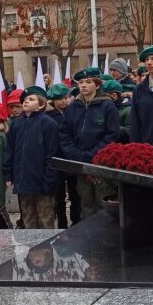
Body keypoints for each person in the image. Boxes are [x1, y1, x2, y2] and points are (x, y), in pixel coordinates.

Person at [59, 68, 120, 217]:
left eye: (88, 82)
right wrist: (75, 154)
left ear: (97, 85)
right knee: (85, 200)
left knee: (102, 200)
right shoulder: (73, 106)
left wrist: (93, 154)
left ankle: (105, 235)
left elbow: (112, 135)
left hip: (101, 163)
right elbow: (64, 134)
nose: (83, 85)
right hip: (81, 163)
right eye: (80, 82)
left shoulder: (107, 106)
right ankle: (88, 234)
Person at [3, 85, 60, 229]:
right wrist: (8, 173)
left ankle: (46, 250)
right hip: (23, 181)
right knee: (28, 218)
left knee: (45, 218)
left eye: (31, 99)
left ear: (41, 105)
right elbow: (10, 150)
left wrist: (49, 180)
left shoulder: (48, 124)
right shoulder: (16, 124)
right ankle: (32, 250)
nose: (26, 101)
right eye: (25, 99)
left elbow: (52, 155)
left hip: (41, 182)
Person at [46, 83, 79, 228]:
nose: (63, 101)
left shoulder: (73, 112)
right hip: (57, 159)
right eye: (59, 99)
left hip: (71, 158)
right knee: (58, 196)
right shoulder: (49, 116)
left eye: (65, 97)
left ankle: (76, 220)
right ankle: (62, 223)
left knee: (75, 194)